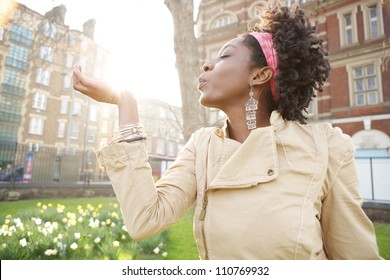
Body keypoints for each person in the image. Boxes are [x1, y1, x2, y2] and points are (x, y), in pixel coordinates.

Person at [73, 0, 382, 260]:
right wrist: (125, 100)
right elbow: (145, 219)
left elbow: (357, 261)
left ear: (260, 75)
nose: (206, 65)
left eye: (223, 56)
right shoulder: (201, 146)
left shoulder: (326, 148)